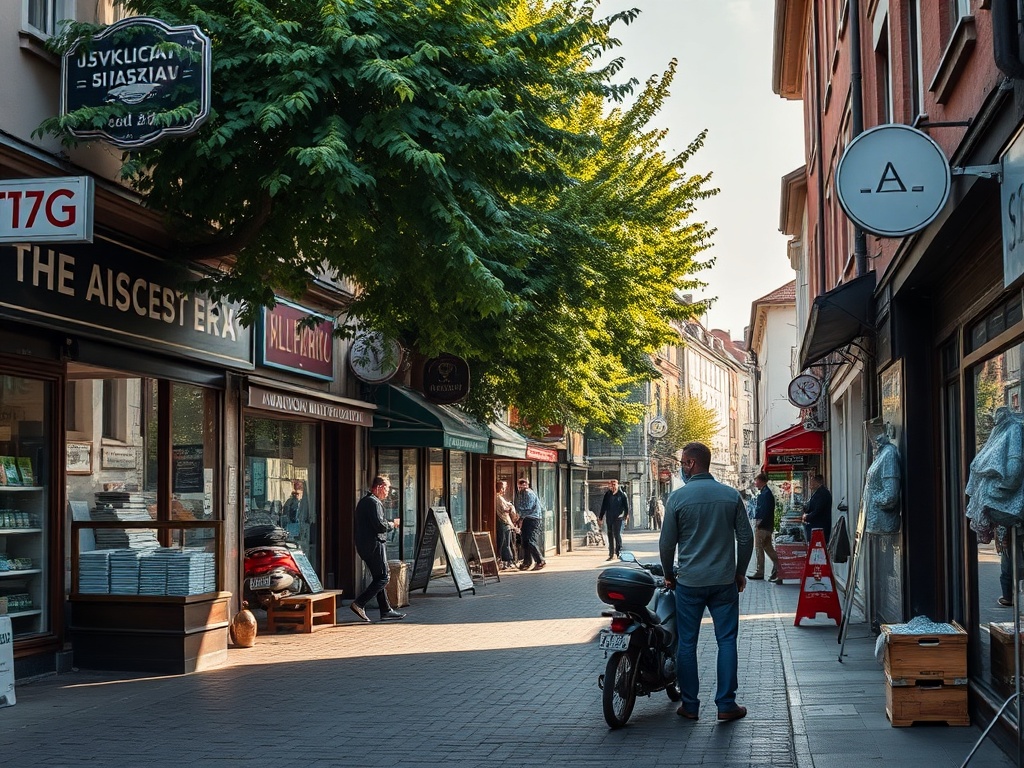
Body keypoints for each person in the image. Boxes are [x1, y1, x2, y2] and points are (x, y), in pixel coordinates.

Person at [659, 441, 753, 722]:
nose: (682, 468)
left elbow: (667, 544)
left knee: (687, 643)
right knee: (727, 641)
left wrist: (668, 574)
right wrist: (740, 571)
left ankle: (690, 705)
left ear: (691, 463)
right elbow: (746, 538)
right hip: (724, 582)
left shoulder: (677, 499)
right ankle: (726, 704)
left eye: (683, 463)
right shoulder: (730, 495)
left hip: (689, 583)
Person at [350, 475, 406, 622]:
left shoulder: (366, 502)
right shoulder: (373, 502)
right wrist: (392, 524)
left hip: (366, 545)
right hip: (374, 544)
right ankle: (359, 603)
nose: (388, 492)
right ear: (379, 487)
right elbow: (380, 525)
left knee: (378, 577)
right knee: (384, 577)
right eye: (387, 488)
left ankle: (386, 610)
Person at [749, 472, 779, 582]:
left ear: (761, 481)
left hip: (763, 526)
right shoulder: (766, 493)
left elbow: (764, 511)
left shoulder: (765, 494)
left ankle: (760, 571)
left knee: (759, 548)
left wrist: (759, 523)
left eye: (756, 481)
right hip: (768, 526)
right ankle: (778, 566)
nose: (755, 483)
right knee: (768, 548)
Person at [514, 478, 547, 571]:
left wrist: (519, 517)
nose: (522, 488)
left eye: (523, 486)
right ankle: (527, 562)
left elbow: (527, 507)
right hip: (526, 519)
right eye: (520, 486)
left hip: (533, 519)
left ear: (527, 485)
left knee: (530, 540)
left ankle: (540, 561)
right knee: (525, 541)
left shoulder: (529, 493)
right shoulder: (520, 494)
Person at [598, 479, 629, 560]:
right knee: (610, 534)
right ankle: (611, 553)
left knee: (617, 534)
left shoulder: (622, 494)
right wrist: (600, 517)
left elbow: (626, 507)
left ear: (617, 485)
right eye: (611, 485)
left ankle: (618, 551)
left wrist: (625, 516)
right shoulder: (607, 494)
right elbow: (603, 506)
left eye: (614, 485)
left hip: (618, 517)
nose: (613, 487)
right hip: (609, 517)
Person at [802, 474, 832, 545]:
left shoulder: (822, 494)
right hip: (816, 526)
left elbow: (818, 510)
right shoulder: (818, 492)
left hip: (819, 527)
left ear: (816, 482)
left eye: (812, 481)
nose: (810, 484)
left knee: (817, 546)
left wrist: (807, 517)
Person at [495, 480, 518, 569]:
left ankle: (508, 561)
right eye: (503, 488)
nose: (504, 490)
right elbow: (505, 509)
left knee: (506, 543)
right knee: (505, 543)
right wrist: (511, 508)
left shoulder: (500, 497)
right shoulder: (498, 498)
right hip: (504, 522)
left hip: (505, 522)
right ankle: (509, 561)